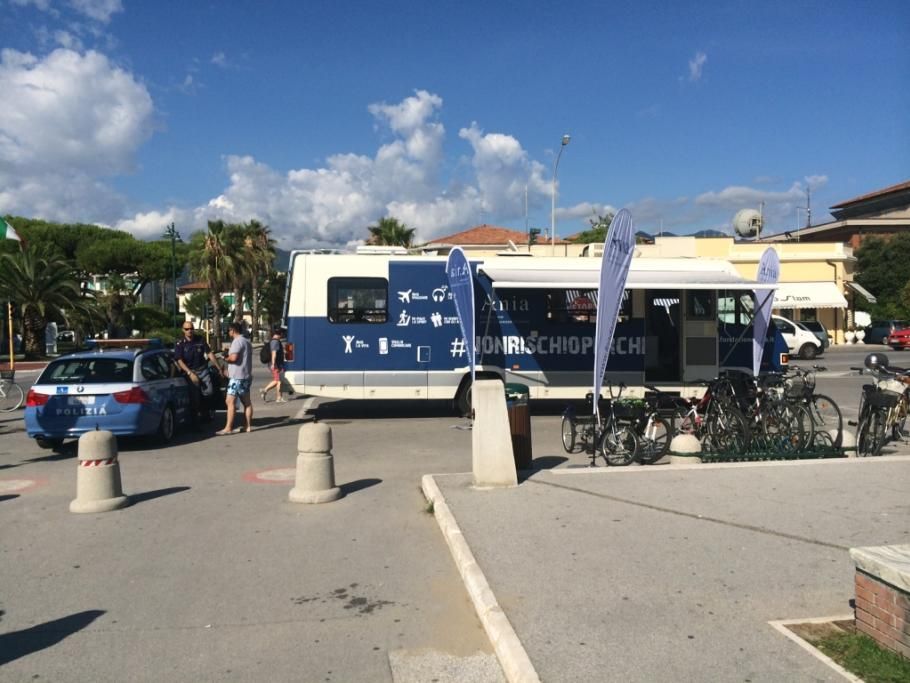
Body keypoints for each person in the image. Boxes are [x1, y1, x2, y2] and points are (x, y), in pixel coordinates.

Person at [174, 322, 221, 424]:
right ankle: (196, 421)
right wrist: (189, 373)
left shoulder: (200, 339)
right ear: (183, 330)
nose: (189, 331)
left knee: (209, 392)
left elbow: (209, 353)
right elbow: (179, 360)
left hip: (202, 370)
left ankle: (206, 411)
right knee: (195, 396)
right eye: (187, 329)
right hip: (190, 372)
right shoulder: (180, 343)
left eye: (191, 328)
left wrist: (219, 368)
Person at [218, 321, 253, 434]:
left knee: (230, 401)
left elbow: (233, 358)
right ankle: (247, 426)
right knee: (247, 402)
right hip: (246, 376)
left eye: (229, 330)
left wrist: (225, 358)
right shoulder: (246, 341)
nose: (228, 332)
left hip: (236, 377)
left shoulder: (237, 341)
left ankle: (228, 428)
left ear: (233, 330)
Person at [259, 328, 287, 403]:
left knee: (278, 380)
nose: (282, 335)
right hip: (275, 364)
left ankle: (272, 394)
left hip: (276, 364)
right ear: (280, 334)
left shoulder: (274, 341)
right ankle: (277, 396)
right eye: (282, 334)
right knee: (278, 380)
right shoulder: (275, 342)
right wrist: (273, 364)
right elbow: (274, 353)